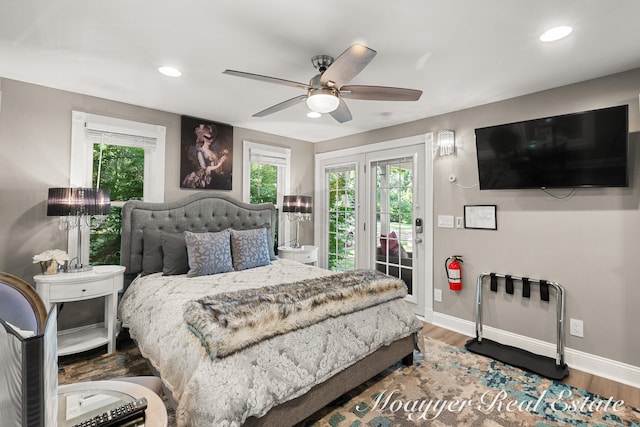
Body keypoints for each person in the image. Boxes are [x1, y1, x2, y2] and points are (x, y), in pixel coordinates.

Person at [182, 124, 229, 188]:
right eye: (206, 138)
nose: (209, 140)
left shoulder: (214, 152)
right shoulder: (200, 151)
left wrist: (222, 160)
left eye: (211, 138)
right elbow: (205, 169)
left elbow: (217, 170)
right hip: (203, 180)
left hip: (214, 180)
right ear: (202, 138)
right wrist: (219, 164)